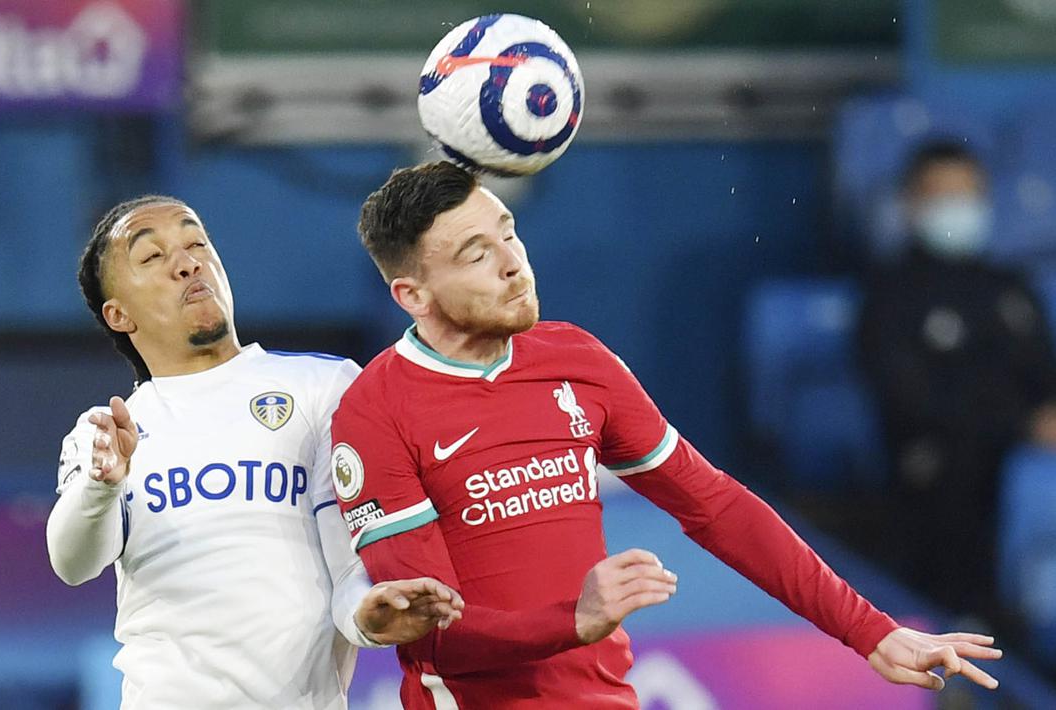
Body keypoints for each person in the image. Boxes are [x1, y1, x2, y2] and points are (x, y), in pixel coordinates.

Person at [330, 161, 1002, 709]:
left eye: (509, 233)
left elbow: (715, 506)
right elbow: (432, 636)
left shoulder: (577, 360)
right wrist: (574, 619)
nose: (512, 262)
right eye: (478, 254)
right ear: (412, 296)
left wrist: (868, 632)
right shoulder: (375, 412)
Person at [45, 195, 464, 709]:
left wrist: (369, 620)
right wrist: (99, 487)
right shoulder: (110, 434)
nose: (187, 262)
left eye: (197, 242)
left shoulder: (325, 387)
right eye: (153, 257)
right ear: (118, 314)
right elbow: (72, 562)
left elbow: (348, 560)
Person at [858, 140, 1056, 615]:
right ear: (910, 204)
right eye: (942, 196)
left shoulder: (1010, 286)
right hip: (942, 470)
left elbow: (1044, 373)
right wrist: (1021, 424)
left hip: (1024, 456)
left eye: (967, 195)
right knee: (953, 480)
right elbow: (910, 398)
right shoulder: (888, 296)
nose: (957, 209)